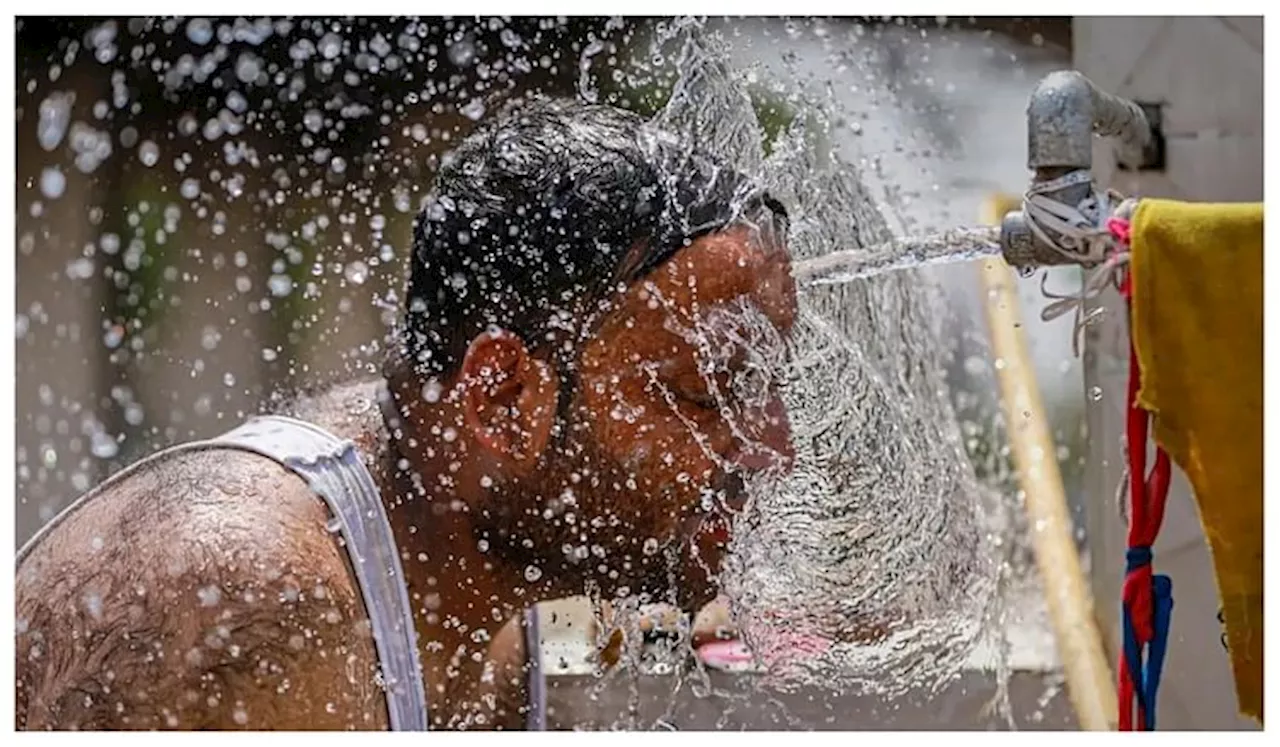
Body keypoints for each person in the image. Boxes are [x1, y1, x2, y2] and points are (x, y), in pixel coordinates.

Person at [15, 97, 798, 731]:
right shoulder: (258, 606)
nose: (773, 448)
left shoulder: (490, 584)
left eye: (768, 391)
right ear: (502, 397)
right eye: (706, 392)